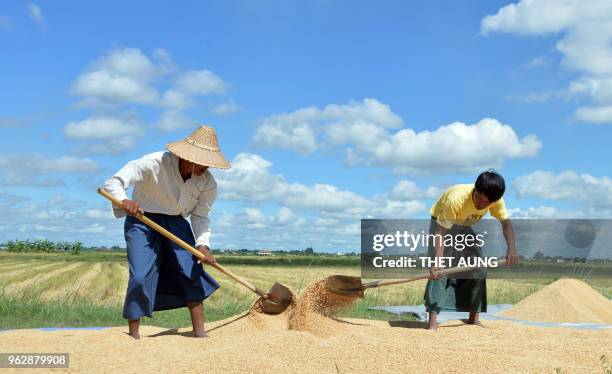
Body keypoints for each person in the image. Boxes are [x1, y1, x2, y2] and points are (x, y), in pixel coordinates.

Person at [102, 126, 230, 339]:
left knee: (191, 270)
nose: (208, 166)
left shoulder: (207, 182)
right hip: (141, 219)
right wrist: (125, 201)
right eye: (204, 161)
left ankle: (200, 332)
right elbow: (113, 183)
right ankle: (133, 335)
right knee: (141, 275)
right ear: (190, 158)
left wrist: (203, 245)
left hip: (177, 224)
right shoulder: (154, 162)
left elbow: (200, 216)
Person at [424, 170, 519, 331]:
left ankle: (473, 319)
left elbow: (506, 224)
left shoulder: (496, 201)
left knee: (479, 268)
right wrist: (438, 262)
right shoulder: (456, 199)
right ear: (475, 190)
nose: (481, 205)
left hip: (464, 225)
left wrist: (512, 249)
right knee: (439, 270)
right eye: (479, 199)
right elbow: (440, 232)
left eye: (486, 203)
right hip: (441, 223)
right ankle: (432, 322)